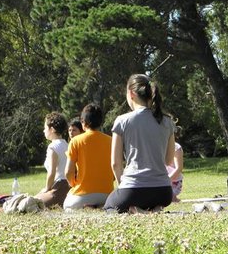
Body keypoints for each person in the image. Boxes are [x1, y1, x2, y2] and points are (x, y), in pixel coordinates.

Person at [104, 74, 175, 213]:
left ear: (131, 93)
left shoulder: (122, 120)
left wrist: (122, 186)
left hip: (133, 189)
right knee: (150, 200)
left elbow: (115, 163)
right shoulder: (167, 121)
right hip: (164, 192)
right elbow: (169, 160)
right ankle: (154, 209)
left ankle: (137, 210)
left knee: (109, 206)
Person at [63, 104, 115, 210]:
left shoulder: (75, 141)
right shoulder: (111, 141)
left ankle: (89, 206)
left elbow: (68, 172)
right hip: (107, 194)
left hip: (83, 194)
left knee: (67, 206)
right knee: (105, 205)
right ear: (101, 122)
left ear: (83, 122)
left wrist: (73, 184)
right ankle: (99, 207)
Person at [35, 112, 70, 208]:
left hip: (59, 188)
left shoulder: (53, 147)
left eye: (45, 128)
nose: (43, 131)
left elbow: (52, 173)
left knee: (32, 203)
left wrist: (47, 188)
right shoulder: (67, 145)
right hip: (69, 187)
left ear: (52, 129)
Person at [166, 130, 184, 203]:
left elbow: (179, 168)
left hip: (174, 181)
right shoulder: (158, 147)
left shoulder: (176, 147)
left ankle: (173, 197)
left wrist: (167, 180)